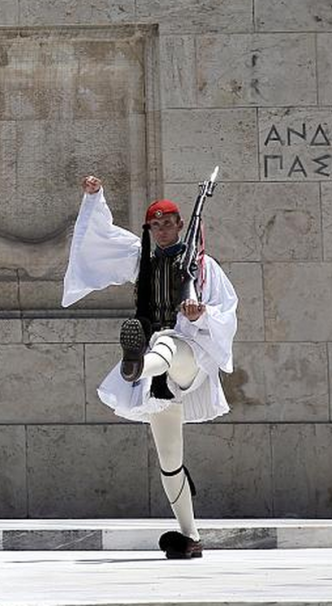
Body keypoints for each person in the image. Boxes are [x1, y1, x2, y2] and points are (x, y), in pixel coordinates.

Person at [62, 175, 238, 559]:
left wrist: (200, 312)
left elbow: (227, 311)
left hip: (187, 358)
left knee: (165, 340)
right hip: (158, 376)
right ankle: (190, 537)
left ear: (180, 225)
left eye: (168, 223)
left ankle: (135, 368)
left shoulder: (204, 267)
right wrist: (95, 197)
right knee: (169, 458)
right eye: (155, 225)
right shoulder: (139, 258)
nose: (161, 230)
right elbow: (99, 238)